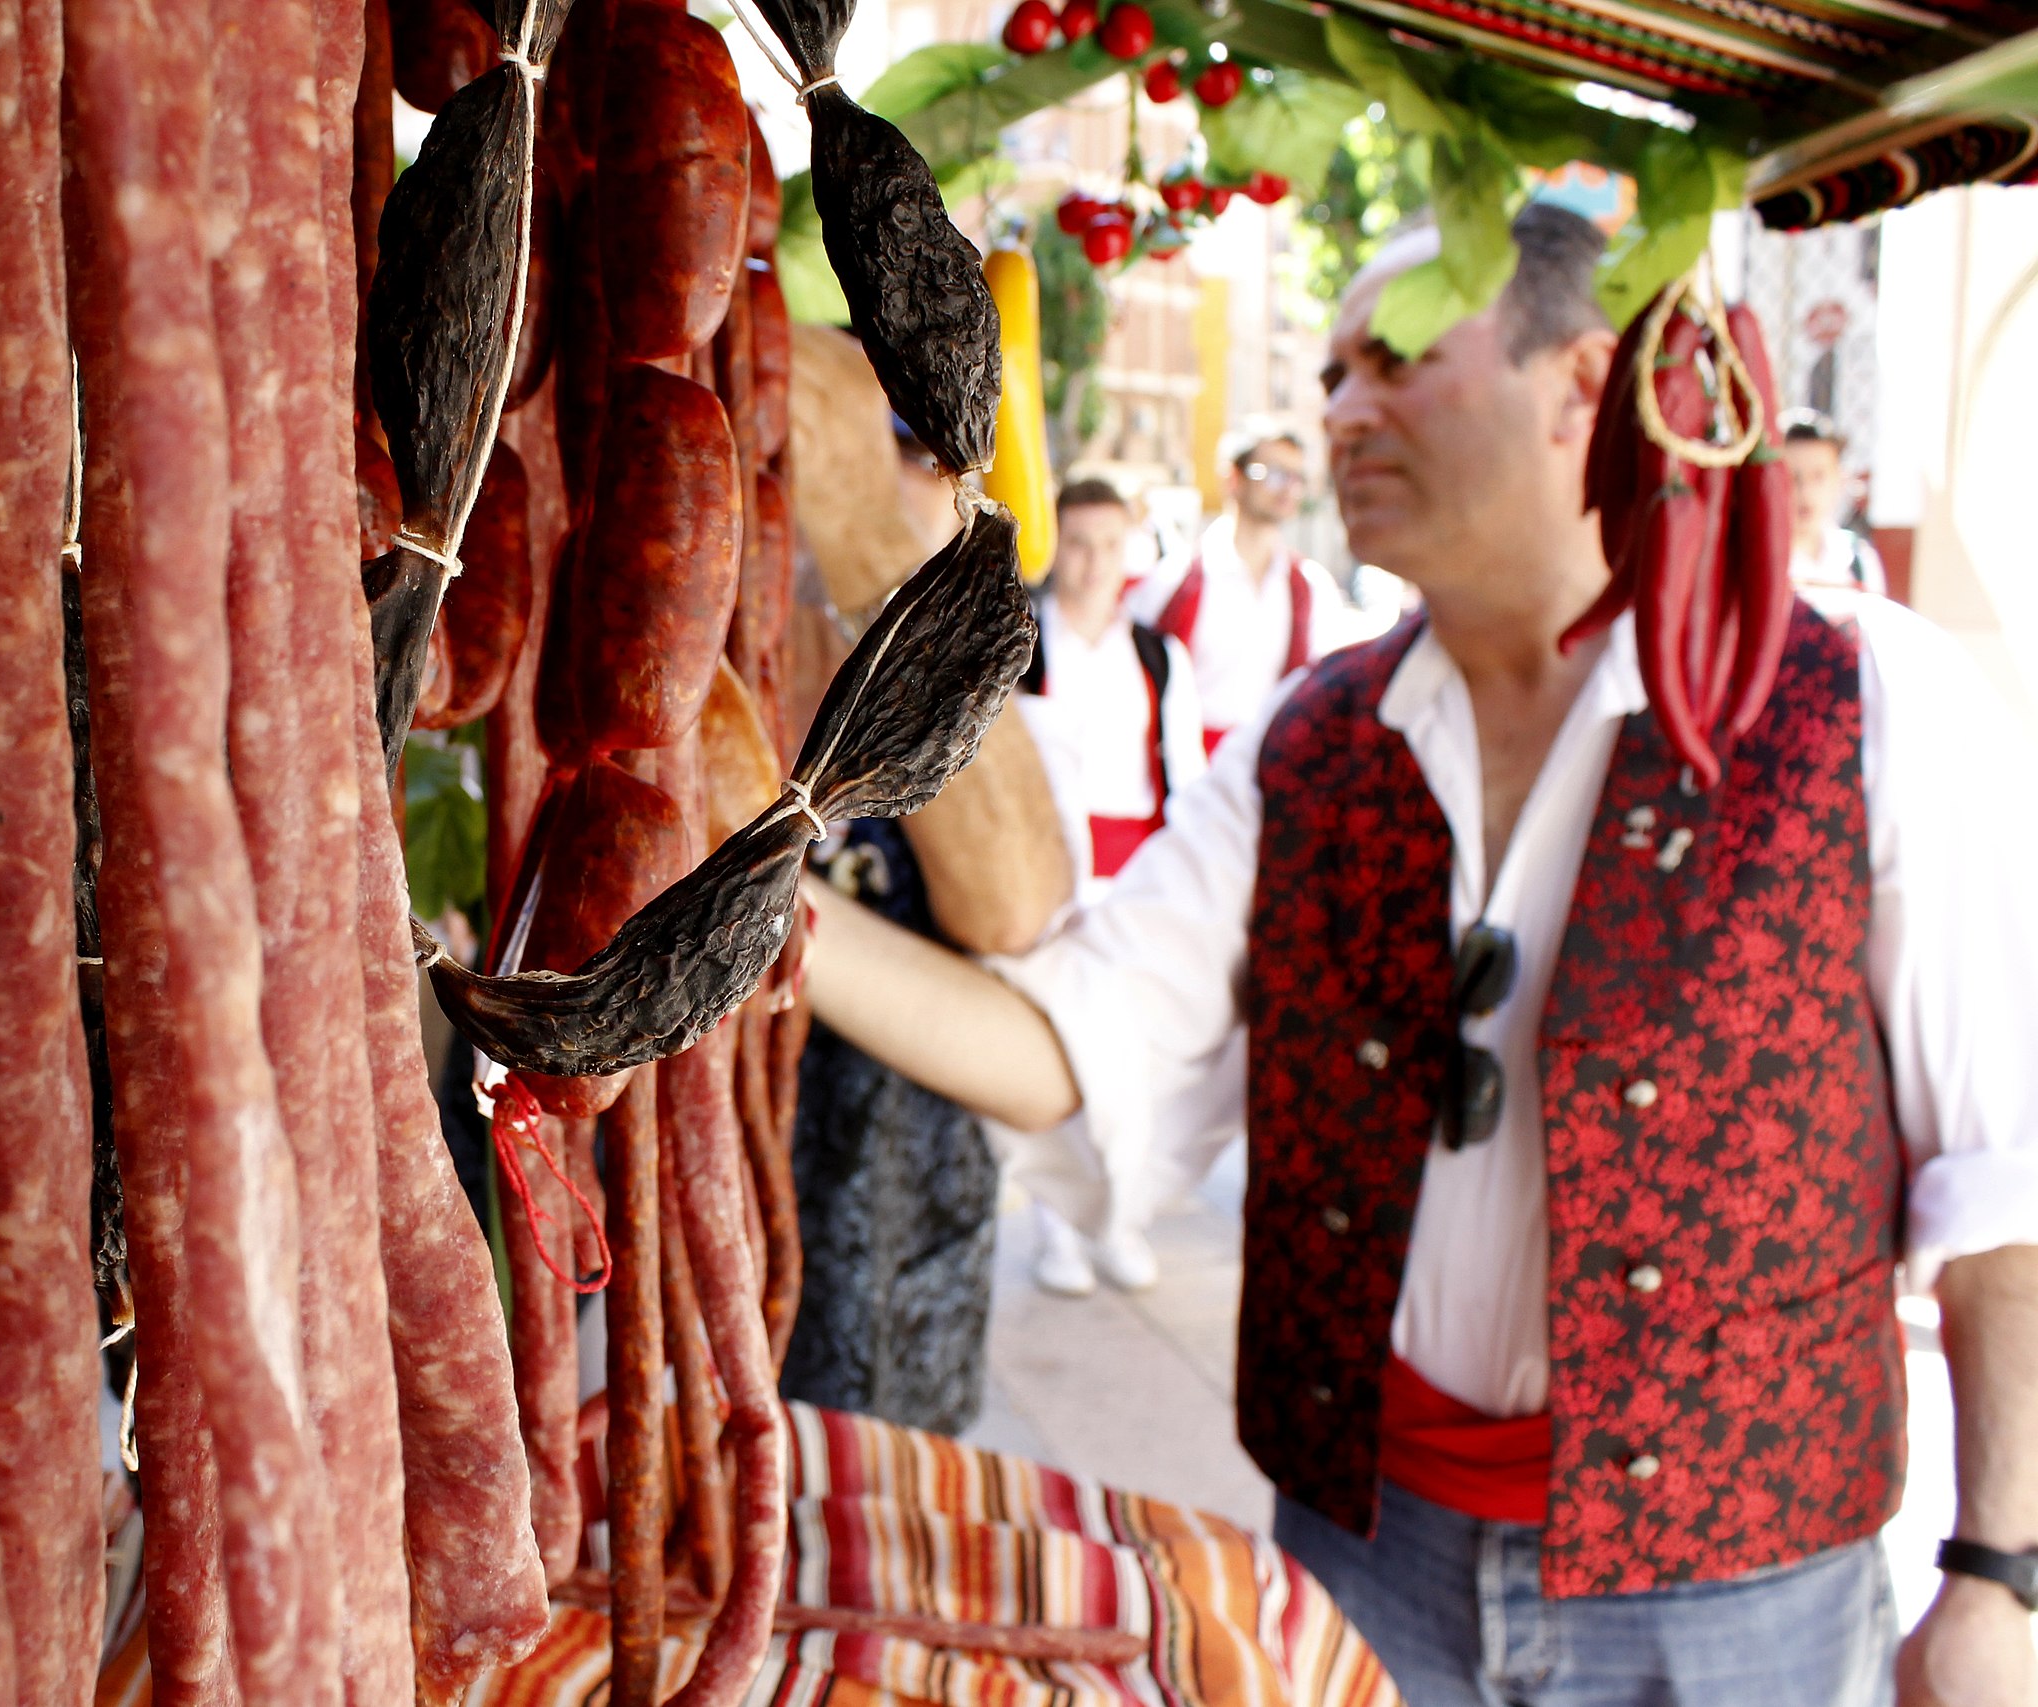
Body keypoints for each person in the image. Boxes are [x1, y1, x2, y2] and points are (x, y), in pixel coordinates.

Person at [801, 203, 2038, 1707]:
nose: (1339, 409)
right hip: (1367, 1540)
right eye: (1326, 375)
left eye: (1391, 361)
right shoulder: (1314, 737)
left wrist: (1998, 1572)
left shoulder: (1860, 697)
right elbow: (1072, 1041)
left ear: (1587, 381)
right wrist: (746, 925)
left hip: (1740, 1582)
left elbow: (2000, 1194)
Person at [1014, 478, 1205, 1296]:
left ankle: (1119, 1220)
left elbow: (1188, 779)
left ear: (1131, 549)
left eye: (1108, 544)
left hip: (1135, 868)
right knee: (1056, 1053)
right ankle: (1058, 1228)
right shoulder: (1025, 642)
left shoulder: (1160, 655)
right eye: (1078, 543)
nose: (1092, 563)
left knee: (1134, 1054)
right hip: (1050, 862)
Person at [1152, 425, 1350, 750]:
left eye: (1297, 477)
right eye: (1273, 473)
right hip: (1188, 772)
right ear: (1233, 478)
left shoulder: (1312, 588)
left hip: (1270, 769)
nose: (1288, 487)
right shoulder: (1174, 580)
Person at [1783, 408, 1890, 599]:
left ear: (1838, 479)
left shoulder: (1859, 561)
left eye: (1818, 476)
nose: (1806, 491)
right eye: (1793, 477)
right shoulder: (1760, 560)